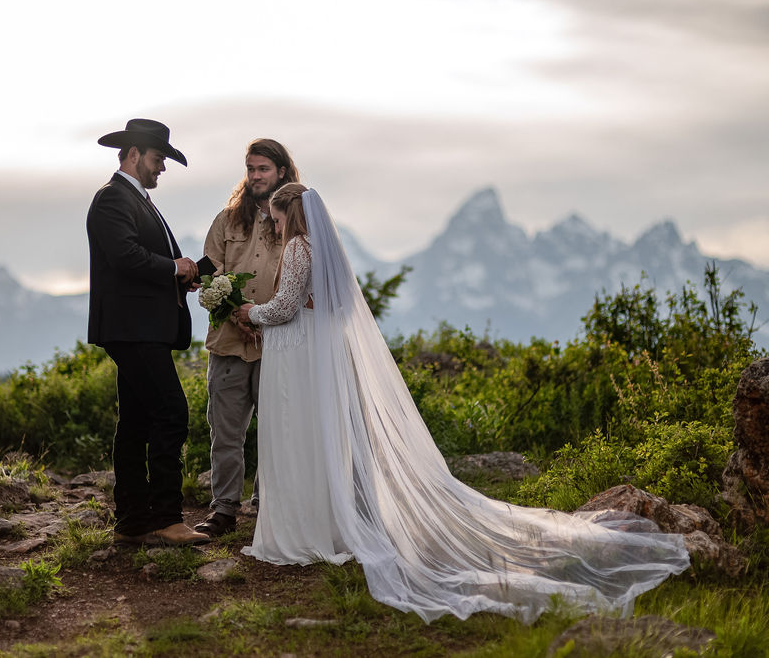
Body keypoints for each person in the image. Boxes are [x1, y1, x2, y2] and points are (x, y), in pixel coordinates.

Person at [237, 183, 690, 623]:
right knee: (317, 444)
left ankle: (301, 534)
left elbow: (286, 308)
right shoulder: (322, 249)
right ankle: (324, 526)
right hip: (312, 360)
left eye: (277, 220)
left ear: (290, 214)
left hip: (297, 363)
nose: (275, 229)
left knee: (297, 441)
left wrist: (249, 312)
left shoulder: (299, 246)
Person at [86, 118, 209, 547]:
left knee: (136, 422)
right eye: (158, 159)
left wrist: (181, 275)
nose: (162, 168)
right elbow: (123, 256)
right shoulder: (111, 200)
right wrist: (172, 267)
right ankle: (166, 517)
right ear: (134, 155)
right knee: (171, 411)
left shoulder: (135, 200)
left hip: (141, 328)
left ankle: (133, 522)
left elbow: (142, 259)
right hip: (132, 328)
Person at [195, 139, 299, 537]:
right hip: (228, 343)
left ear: (282, 173)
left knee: (277, 429)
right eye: (251, 169)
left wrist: (264, 317)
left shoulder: (293, 222)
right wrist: (232, 314)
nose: (255, 176)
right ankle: (223, 509)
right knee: (225, 431)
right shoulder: (227, 220)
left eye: (264, 169)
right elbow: (209, 275)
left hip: (279, 344)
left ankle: (268, 504)